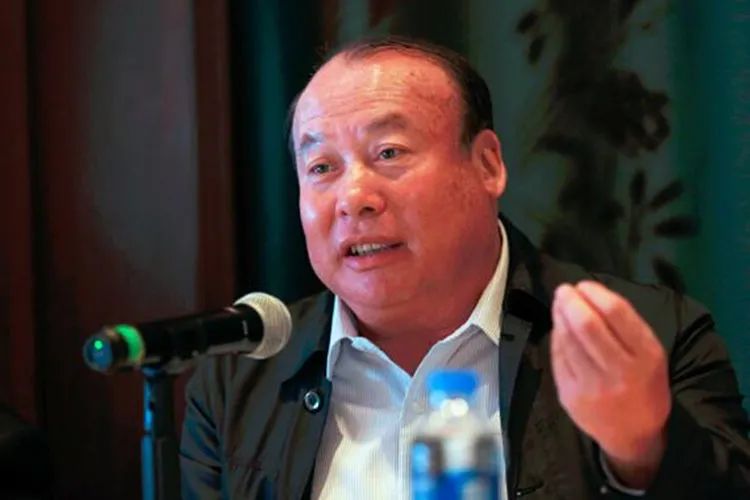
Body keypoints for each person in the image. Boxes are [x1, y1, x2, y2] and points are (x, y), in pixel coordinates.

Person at [180, 36, 750, 499]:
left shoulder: (653, 337)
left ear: (487, 165)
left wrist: (643, 447)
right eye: (322, 167)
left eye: (388, 153)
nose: (354, 198)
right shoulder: (236, 387)